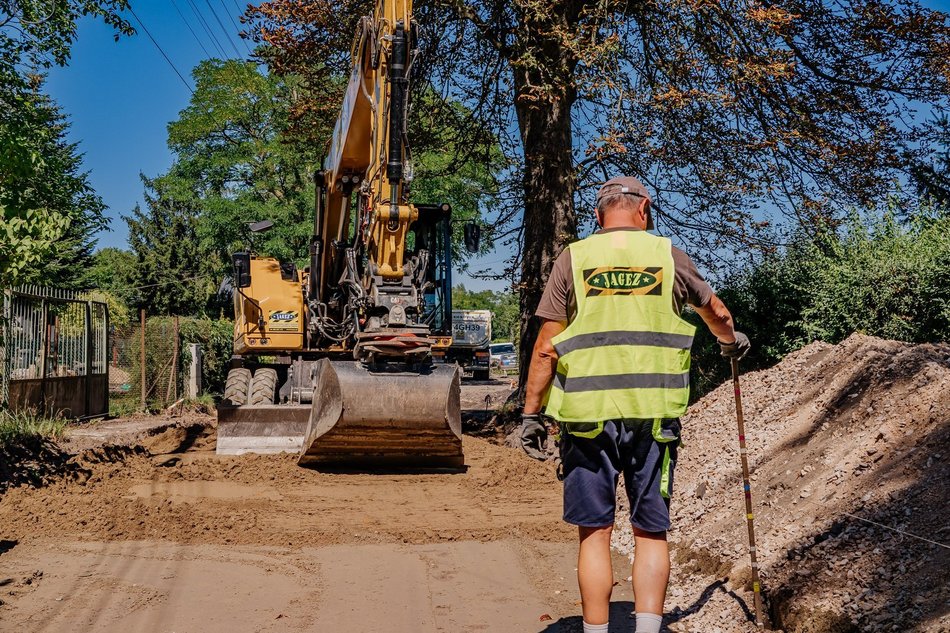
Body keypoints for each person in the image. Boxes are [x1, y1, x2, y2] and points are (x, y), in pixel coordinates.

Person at [520, 176, 750, 633]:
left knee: (595, 533)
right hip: (653, 417)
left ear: (598, 215)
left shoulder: (574, 259)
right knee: (649, 531)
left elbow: (546, 347)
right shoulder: (667, 256)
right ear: (643, 208)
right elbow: (718, 314)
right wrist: (729, 341)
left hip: (587, 419)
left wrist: (531, 413)